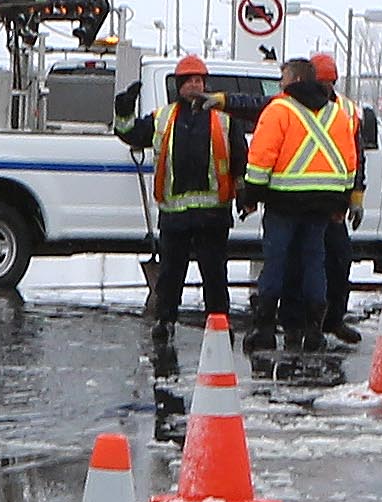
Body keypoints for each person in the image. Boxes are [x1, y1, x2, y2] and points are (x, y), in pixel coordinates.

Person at [115, 54, 240, 347]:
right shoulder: (162, 118)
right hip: (175, 215)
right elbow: (129, 132)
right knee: (171, 275)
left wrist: (244, 192)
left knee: (215, 274)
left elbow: (239, 159)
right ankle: (164, 321)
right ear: (179, 86)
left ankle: (220, 324)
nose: (196, 85)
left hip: (212, 214)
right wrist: (123, 108)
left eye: (200, 80)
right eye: (190, 81)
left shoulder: (223, 119)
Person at [244, 53, 363, 350]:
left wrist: (252, 195)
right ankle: (314, 331)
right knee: (314, 263)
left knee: (276, 264)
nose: (280, 84)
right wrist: (344, 199)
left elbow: (261, 158)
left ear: (295, 79)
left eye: (283, 78)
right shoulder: (337, 113)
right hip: (323, 204)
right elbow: (350, 161)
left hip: (284, 201)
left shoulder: (279, 110)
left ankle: (266, 329)